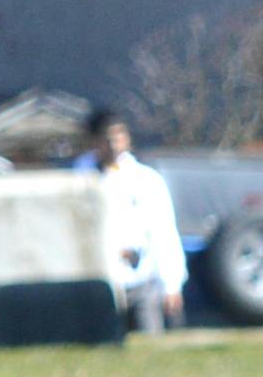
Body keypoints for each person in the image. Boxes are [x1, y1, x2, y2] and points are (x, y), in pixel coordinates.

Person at [71, 110, 187, 333]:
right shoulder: (80, 179)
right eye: (107, 138)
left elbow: (164, 232)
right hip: (97, 284)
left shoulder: (145, 180)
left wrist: (171, 284)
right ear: (95, 141)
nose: (113, 144)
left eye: (118, 137)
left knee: (150, 348)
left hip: (141, 281)